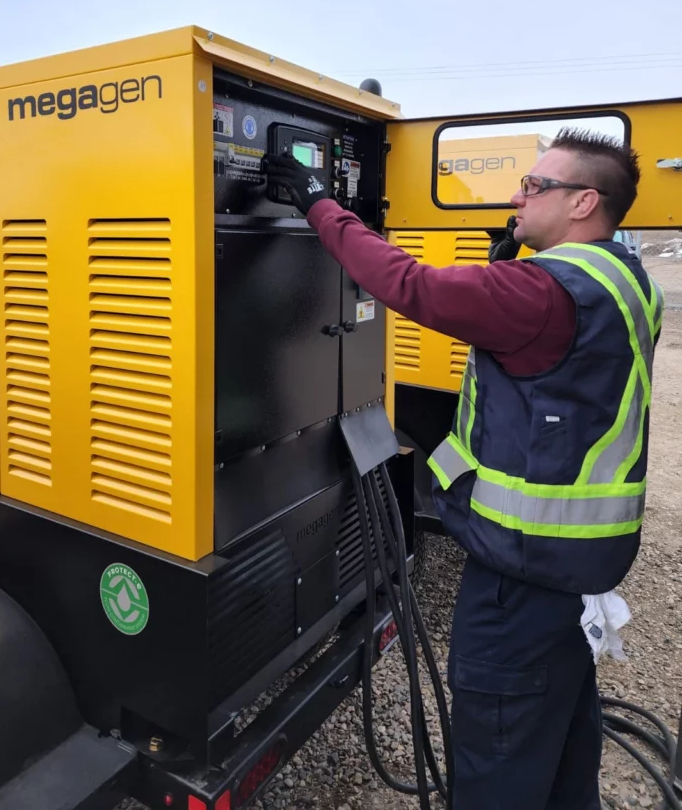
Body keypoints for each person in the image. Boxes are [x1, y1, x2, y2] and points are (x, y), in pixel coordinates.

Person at [264, 128, 663, 810]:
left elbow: (403, 282)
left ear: (583, 203)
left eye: (536, 187)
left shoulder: (541, 293)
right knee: (563, 736)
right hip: (576, 570)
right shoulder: (625, 277)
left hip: (520, 576)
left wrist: (318, 201)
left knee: (499, 752)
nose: (517, 195)